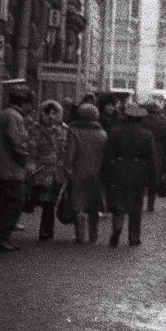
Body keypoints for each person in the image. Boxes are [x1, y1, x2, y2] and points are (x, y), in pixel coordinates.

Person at [101, 103, 158, 246]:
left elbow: (107, 155)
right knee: (136, 205)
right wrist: (153, 180)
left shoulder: (114, 132)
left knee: (118, 203)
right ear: (141, 119)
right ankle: (133, 237)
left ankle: (117, 231)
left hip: (118, 170)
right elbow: (152, 159)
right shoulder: (147, 135)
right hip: (138, 172)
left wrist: (105, 175)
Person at [0, 83, 34, 251]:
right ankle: (1, 236)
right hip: (12, 169)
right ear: (24, 102)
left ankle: (0, 236)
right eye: (29, 103)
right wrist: (25, 161)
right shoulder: (15, 117)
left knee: (4, 202)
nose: (30, 107)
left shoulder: (1, 115)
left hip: (0, 167)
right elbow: (18, 144)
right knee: (16, 201)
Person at [64, 102, 108, 244]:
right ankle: (93, 236)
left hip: (79, 171)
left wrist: (68, 168)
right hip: (98, 173)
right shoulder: (102, 133)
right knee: (95, 204)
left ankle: (80, 236)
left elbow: (70, 153)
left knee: (79, 203)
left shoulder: (74, 131)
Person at [28, 100, 70, 241]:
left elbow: (66, 151)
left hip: (57, 171)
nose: (51, 117)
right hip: (40, 170)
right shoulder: (35, 129)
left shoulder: (65, 130)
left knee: (50, 202)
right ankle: (45, 230)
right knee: (43, 201)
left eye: (54, 113)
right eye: (47, 113)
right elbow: (31, 149)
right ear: (42, 114)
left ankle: (46, 230)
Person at [140, 102, 166, 211]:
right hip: (158, 149)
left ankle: (139, 203)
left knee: (143, 175)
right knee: (155, 175)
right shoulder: (162, 120)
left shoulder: (142, 119)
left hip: (144, 148)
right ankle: (150, 205)